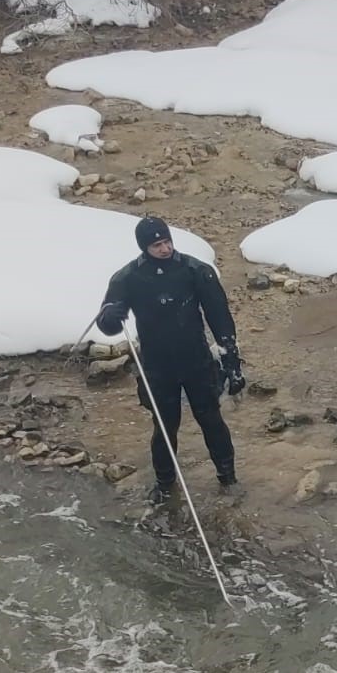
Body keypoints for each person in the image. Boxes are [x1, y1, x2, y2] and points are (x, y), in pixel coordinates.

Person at [95, 216, 247, 504]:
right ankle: (165, 484)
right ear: (144, 247)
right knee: (164, 426)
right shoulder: (126, 279)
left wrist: (232, 363)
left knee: (211, 419)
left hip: (197, 361)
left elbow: (220, 319)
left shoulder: (196, 271)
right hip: (157, 366)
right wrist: (110, 316)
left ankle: (227, 477)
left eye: (167, 242)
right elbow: (109, 325)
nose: (165, 249)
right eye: (157, 245)